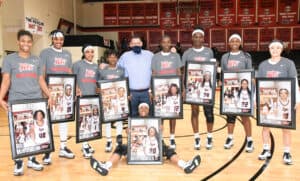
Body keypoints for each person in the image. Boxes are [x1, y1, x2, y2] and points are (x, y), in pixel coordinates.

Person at [90, 102, 201, 176]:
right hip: (137, 148)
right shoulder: (133, 120)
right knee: (121, 148)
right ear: (138, 110)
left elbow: (158, 136)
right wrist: (128, 132)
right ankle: (106, 167)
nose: (143, 109)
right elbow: (132, 137)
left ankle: (184, 165)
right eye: (141, 108)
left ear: (148, 110)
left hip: (152, 147)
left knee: (167, 148)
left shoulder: (154, 120)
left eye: (146, 108)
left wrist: (160, 129)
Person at [0, 30, 51, 176]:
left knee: (32, 129)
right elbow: (6, 80)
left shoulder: (37, 60)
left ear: (32, 43)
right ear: (18, 42)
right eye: (23, 41)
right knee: (19, 131)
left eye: (29, 41)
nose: (26, 44)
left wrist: (49, 95)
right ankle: (19, 161)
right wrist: (0, 98)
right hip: (17, 100)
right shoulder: (10, 59)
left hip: (35, 99)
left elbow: (40, 80)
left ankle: (32, 159)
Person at [257, 39, 300, 165]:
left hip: (284, 99)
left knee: (285, 126)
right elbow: (259, 83)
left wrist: (297, 99)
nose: (275, 50)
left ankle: (287, 152)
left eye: (277, 48)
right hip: (268, 99)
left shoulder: (288, 63)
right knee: (265, 126)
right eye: (272, 48)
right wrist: (256, 99)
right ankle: (266, 149)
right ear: (269, 49)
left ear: (281, 49)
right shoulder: (263, 65)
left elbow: (294, 82)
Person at [39, 29, 75, 163]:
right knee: (50, 121)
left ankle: (63, 147)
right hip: (50, 91)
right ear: (52, 39)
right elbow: (42, 72)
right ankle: (47, 151)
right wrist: (44, 91)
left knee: (63, 119)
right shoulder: (45, 53)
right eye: (56, 39)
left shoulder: (67, 54)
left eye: (61, 39)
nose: (59, 41)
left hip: (65, 91)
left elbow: (69, 71)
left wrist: (73, 88)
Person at [182, 27, 215, 150]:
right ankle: (196, 137)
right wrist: (184, 88)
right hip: (193, 88)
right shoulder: (187, 53)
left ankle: (209, 136)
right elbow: (184, 72)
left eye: (200, 36)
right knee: (194, 112)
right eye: (195, 36)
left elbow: (212, 70)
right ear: (192, 38)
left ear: (203, 38)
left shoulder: (209, 52)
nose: (198, 38)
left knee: (209, 114)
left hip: (206, 88)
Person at [220, 33, 254, 152]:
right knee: (230, 115)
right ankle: (230, 138)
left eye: (237, 40)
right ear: (229, 43)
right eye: (232, 41)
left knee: (245, 115)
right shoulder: (225, 57)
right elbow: (223, 73)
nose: (234, 42)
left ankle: (249, 139)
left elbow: (250, 74)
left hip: (243, 89)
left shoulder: (246, 56)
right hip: (230, 90)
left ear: (240, 42)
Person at [151, 35, 182, 149]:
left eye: (168, 42)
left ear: (171, 43)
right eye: (164, 42)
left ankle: (172, 138)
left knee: (173, 114)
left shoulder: (176, 56)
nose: (166, 44)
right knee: (161, 114)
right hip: (160, 89)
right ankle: (161, 138)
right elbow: (153, 73)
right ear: (161, 43)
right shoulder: (155, 57)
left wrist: (181, 88)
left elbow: (179, 72)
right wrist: (152, 90)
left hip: (173, 89)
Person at [72, 44, 99, 158]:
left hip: (93, 97)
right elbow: (72, 78)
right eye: (88, 52)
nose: (90, 54)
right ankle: (84, 146)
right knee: (83, 121)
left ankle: (87, 142)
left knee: (91, 120)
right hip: (82, 97)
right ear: (83, 53)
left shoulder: (96, 66)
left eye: (92, 52)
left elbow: (97, 82)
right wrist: (76, 89)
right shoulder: (77, 64)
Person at [118, 35, 153, 117]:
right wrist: (105, 66)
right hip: (132, 94)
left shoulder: (150, 55)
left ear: (141, 44)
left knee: (149, 115)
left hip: (147, 93)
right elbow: (117, 70)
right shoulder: (124, 56)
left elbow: (156, 71)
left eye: (138, 43)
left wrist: (152, 90)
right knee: (133, 115)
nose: (136, 45)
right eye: (133, 43)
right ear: (130, 45)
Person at [98, 49, 125, 152]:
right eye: (110, 57)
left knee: (119, 119)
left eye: (114, 56)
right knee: (108, 120)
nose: (112, 58)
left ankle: (119, 139)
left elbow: (124, 83)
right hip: (107, 99)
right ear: (107, 58)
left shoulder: (122, 69)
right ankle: (108, 141)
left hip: (118, 98)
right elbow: (99, 83)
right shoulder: (103, 70)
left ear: (117, 58)